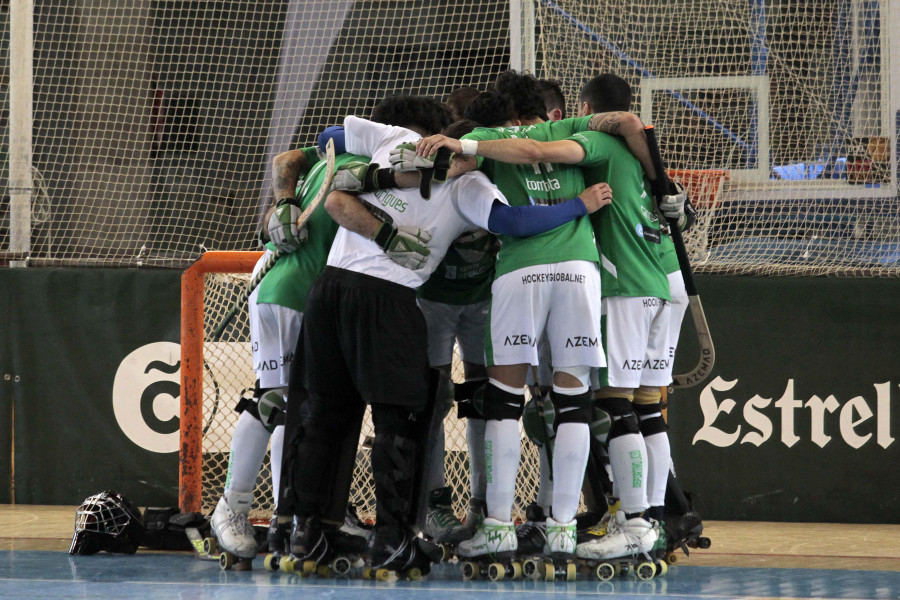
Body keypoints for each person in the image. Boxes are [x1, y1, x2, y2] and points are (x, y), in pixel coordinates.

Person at [281, 93, 613, 575]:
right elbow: (513, 222)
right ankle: (392, 541)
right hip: (386, 297)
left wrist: (377, 176)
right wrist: (578, 205)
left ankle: (306, 534)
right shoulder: (461, 178)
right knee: (399, 422)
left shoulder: (401, 142)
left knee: (323, 412)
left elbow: (328, 139)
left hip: (329, 292)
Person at [402, 70, 651, 570]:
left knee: (503, 402)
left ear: (508, 113)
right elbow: (627, 125)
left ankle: (496, 525)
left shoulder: (492, 140)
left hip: (520, 273)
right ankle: (561, 526)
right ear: (546, 109)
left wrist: (456, 143)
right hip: (580, 272)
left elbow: (455, 171)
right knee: (574, 401)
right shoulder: (578, 132)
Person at [209, 134, 379, 561]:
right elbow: (287, 162)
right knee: (281, 403)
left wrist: (282, 202)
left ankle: (311, 512)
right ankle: (241, 508)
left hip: (314, 294)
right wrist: (282, 204)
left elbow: (286, 159)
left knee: (305, 404)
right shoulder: (368, 158)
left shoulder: (345, 150)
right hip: (290, 289)